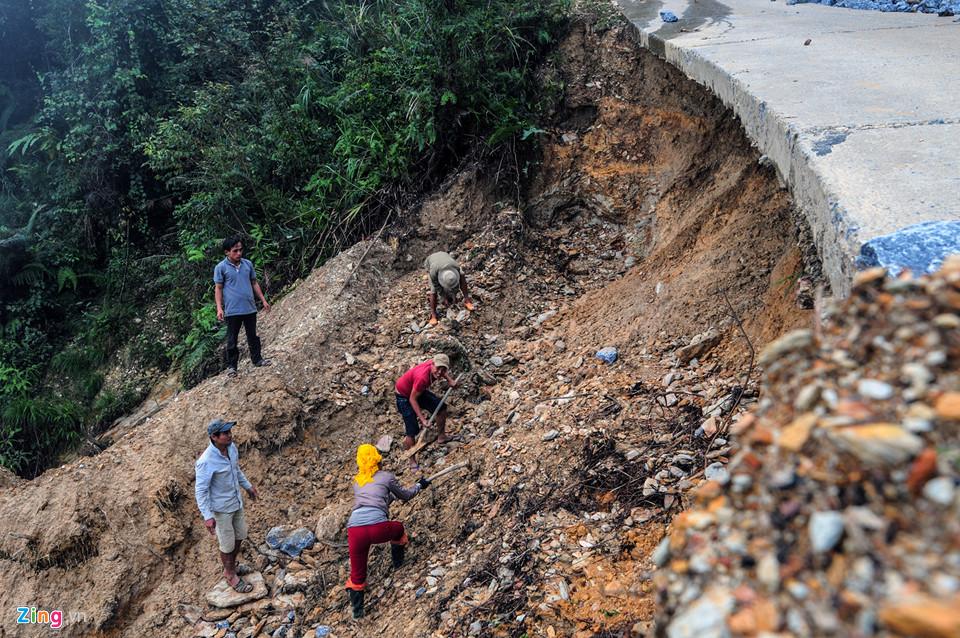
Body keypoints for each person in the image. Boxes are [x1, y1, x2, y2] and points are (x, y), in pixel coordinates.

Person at [345, 444, 430, 619]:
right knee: (398, 528)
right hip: (378, 528)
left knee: (357, 573)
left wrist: (389, 498)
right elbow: (405, 495)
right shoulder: (386, 477)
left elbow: (375, 500)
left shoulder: (357, 482)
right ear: (377, 458)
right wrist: (419, 485)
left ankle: (358, 613)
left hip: (355, 530)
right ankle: (398, 564)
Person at [195, 418, 260, 593]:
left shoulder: (231, 448)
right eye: (225, 433)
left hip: (235, 502)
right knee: (227, 544)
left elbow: (236, 470)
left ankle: (232, 566)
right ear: (214, 437)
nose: (230, 435)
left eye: (229, 432)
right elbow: (201, 491)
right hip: (221, 509)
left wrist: (248, 486)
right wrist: (207, 516)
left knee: (240, 535)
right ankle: (230, 574)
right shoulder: (206, 461)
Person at [214, 236, 271, 377]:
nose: (239, 253)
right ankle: (232, 367)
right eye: (235, 251)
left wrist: (263, 300)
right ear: (227, 252)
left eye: (240, 250)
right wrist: (219, 308)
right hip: (232, 311)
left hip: (249, 308)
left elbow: (254, 283)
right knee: (232, 339)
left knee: (253, 336)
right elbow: (218, 288)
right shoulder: (221, 268)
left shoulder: (247, 264)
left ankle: (257, 360)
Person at [395, 353, 460, 469]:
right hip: (404, 395)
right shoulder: (422, 378)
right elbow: (412, 399)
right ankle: (411, 459)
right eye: (438, 368)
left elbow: (442, 370)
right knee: (412, 429)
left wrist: (450, 380)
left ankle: (441, 437)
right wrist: (423, 419)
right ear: (432, 364)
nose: (439, 373)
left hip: (416, 390)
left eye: (443, 369)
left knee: (441, 408)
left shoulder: (436, 364)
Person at [424, 251, 475, 325]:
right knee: (433, 290)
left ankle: (467, 300)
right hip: (431, 261)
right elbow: (437, 286)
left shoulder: (455, 266)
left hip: (445, 257)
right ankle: (433, 315)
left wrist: (454, 295)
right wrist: (443, 297)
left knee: (462, 275)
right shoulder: (433, 272)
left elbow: (456, 283)